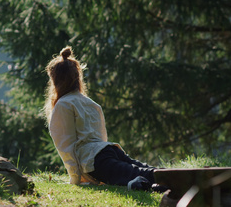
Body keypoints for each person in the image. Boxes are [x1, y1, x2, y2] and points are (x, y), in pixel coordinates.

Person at [44, 46, 164, 191]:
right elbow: (101, 137)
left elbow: (65, 146)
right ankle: (181, 178)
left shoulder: (63, 105)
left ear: (55, 81)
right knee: (145, 170)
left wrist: (76, 179)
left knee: (141, 174)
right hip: (109, 150)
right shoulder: (91, 103)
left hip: (95, 160)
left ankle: (174, 180)